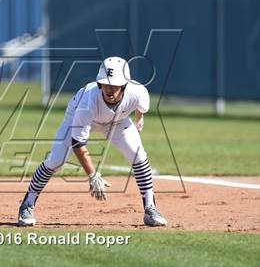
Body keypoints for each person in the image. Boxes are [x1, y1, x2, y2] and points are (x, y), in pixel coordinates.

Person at [17, 56, 167, 227]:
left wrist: (139, 119)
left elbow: (141, 108)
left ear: (125, 85)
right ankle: (27, 204)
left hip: (118, 120)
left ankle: (150, 208)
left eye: (115, 85)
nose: (109, 89)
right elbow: (78, 143)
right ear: (99, 83)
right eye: (105, 83)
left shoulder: (138, 92)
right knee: (56, 160)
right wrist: (92, 175)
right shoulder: (88, 101)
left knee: (138, 155)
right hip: (78, 117)